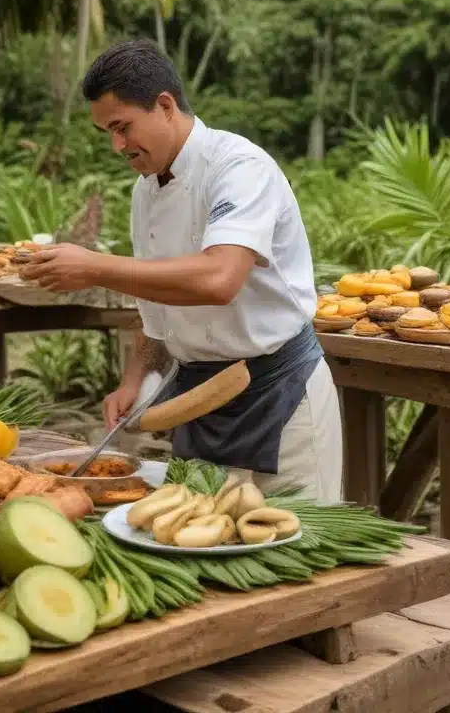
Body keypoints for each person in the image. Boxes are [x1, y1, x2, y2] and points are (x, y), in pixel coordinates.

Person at [19, 39, 342, 500]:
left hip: (279, 397)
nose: (117, 145)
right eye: (107, 132)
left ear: (165, 106)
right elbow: (155, 305)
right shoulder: (144, 192)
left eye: (122, 127)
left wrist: (95, 267)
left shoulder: (240, 167)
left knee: (306, 553)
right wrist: (133, 380)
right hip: (197, 403)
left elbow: (219, 279)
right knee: (201, 552)